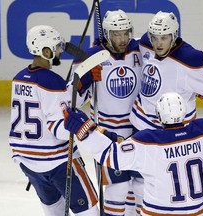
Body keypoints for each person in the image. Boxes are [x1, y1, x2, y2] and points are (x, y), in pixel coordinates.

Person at [63, 64, 203, 215]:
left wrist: (85, 131)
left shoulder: (147, 142)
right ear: (185, 111)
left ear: (158, 116)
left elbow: (111, 156)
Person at [8, 25, 99, 216]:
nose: (59, 51)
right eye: (56, 48)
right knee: (88, 210)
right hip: (57, 161)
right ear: (46, 51)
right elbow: (60, 128)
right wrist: (83, 125)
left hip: (28, 162)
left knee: (53, 209)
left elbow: (50, 106)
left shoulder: (18, 79)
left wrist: (75, 88)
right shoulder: (52, 81)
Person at [68, 9, 142, 216]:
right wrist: (84, 78)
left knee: (139, 188)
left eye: (126, 33)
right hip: (107, 135)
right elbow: (72, 97)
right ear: (107, 34)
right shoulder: (92, 57)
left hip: (138, 132)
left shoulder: (140, 50)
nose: (122, 39)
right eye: (117, 34)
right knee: (117, 189)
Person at [129, 11, 203, 131]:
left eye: (164, 38)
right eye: (154, 38)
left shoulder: (188, 60)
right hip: (139, 124)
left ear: (174, 35)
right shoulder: (146, 43)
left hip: (173, 132)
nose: (158, 43)